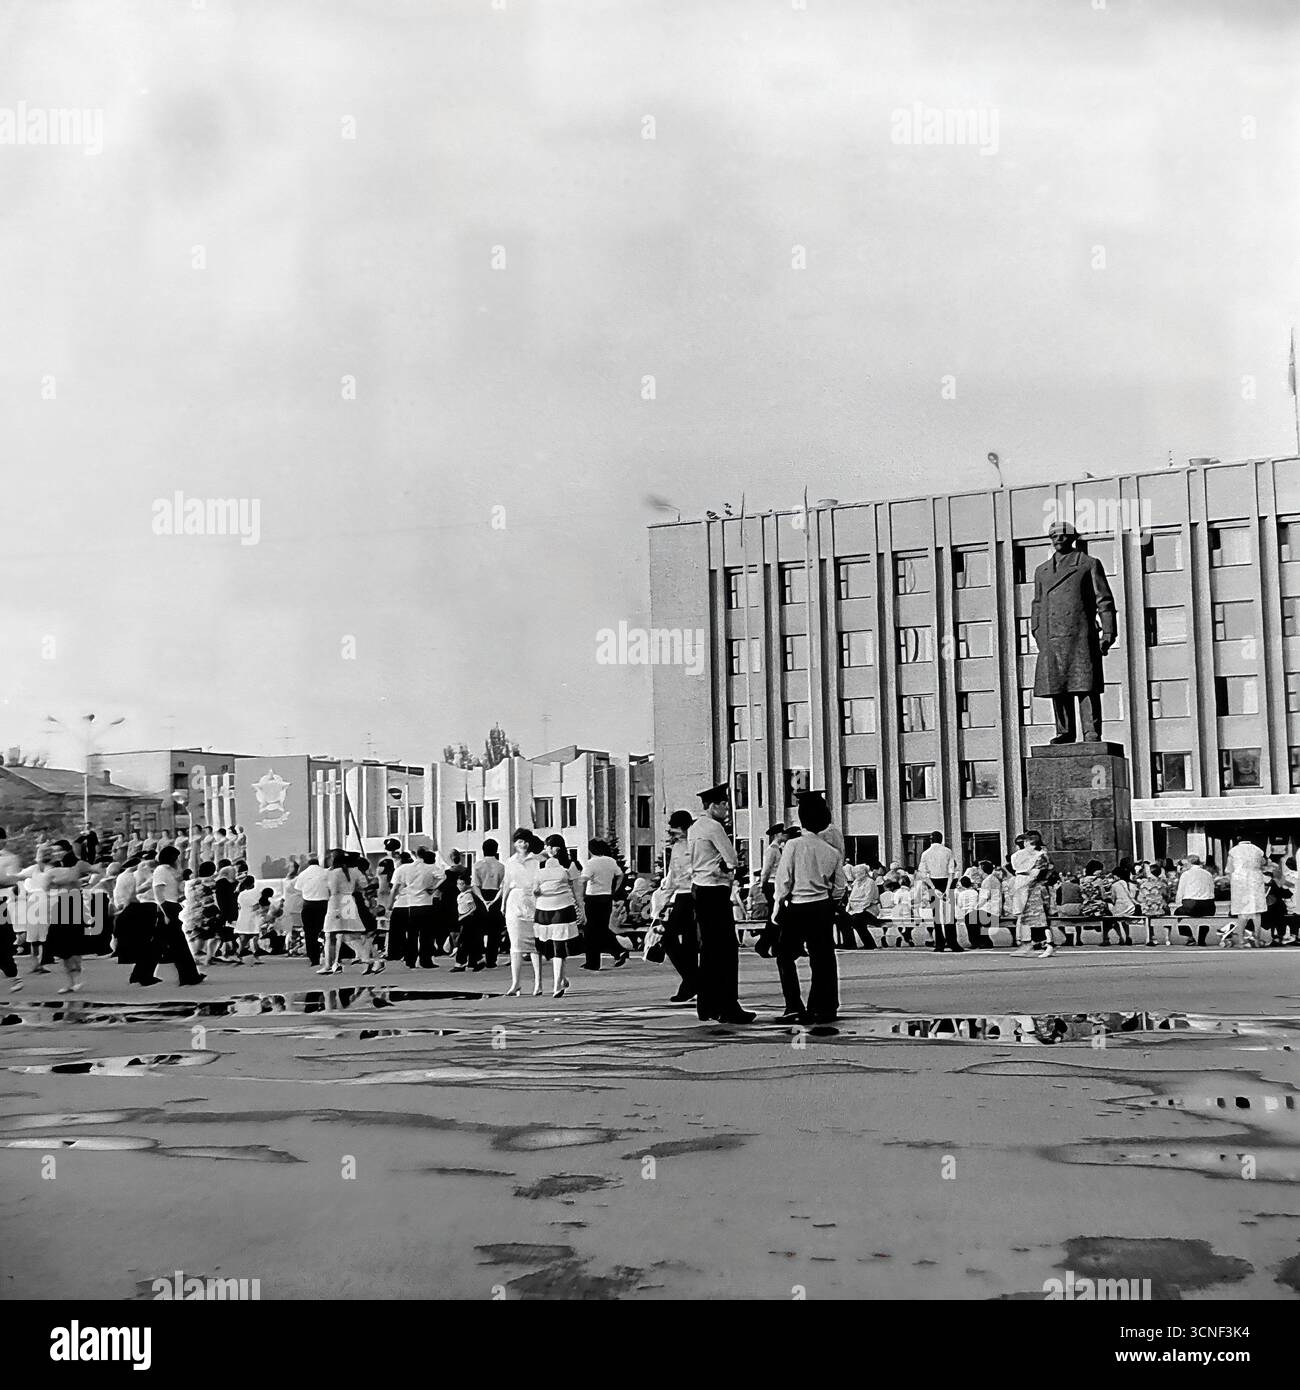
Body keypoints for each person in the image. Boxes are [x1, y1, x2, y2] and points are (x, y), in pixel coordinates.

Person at [771, 791, 847, 1025]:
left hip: (797, 906)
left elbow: (783, 880)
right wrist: (831, 899)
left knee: (785, 956)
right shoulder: (831, 851)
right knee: (823, 957)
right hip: (822, 907)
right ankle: (823, 1006)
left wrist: (777, 906)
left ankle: (794, 1006)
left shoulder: (793, 845)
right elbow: (840, 885)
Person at [688, 783, 754, 1024]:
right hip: (716, 890)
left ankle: (706, 1005)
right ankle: (728, 1006)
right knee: (726, 951)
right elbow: (732, 859)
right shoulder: (715, 827)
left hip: (699, 888)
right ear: (713, 805)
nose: (727, 809)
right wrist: (729, 868)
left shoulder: (694, 828)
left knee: (707, 950)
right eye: (724, 804)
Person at [132, 845, 205, 986]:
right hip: (166, 907)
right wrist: (164, 912)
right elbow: (158, 892)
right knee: (178, 945)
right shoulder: (161, 870)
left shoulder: (171, 871)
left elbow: (174, 889)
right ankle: (189, 976)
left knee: (158, 944)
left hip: (172, 905)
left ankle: (141, 975)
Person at [655, 811, 699, 1002]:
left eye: (676, 828)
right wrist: (662, 901)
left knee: (690, 944)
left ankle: (690, 984)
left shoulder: (698, 842)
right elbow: (672, 876)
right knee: (667, 938)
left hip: (697, 894)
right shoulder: (677, 847)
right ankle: (692, 979)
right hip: (681, 896)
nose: (674, 833)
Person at [532, 835, 582, 997]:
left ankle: (557, 985)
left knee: (558, 947)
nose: (547, 849)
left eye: (550, 846)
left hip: (560, 909)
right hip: (547, 910)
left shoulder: (568, 865)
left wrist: (581, 909)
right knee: (549, 947)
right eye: (547, 846)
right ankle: (560, 979)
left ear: (557, 848)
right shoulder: (540, 865)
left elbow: (577, 889)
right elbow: (535, 888)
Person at [500, 829, 543, 997]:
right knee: (516, 945)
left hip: (533, 900)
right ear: (514, 843)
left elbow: (540, 879)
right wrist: (503, 903)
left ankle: (538, 983)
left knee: (534, 945)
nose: (523, 844)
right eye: (519, 842)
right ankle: (515, 983)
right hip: (515, 901)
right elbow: (506, 883)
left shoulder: (536, 860)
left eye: (525, 841)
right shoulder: (510, 861)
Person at [318, 849, 373, 974]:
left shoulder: (332, 873)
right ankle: (365, 958)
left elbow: (331, 889)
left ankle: (328, 965)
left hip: (336, 902)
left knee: (329, 934)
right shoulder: (354, 871)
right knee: (351, 932)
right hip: (349, 901)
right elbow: (363, 885)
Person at [580, 839, 629, 970]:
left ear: (590, 850)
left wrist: (582, 894)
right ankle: (617, 951)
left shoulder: (591, 863)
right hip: (606, 897)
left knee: (590, 931)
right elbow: (620, 875)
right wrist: (615, 889)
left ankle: (593, 962)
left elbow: (583, 879)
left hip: (592, 898)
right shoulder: (610, 861)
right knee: (601, 928)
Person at [1009, 831, 1054, 958]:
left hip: (1035, 888)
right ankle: (1037, 943)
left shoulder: (1040, 856)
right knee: (1032, 918)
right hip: (1031, 887)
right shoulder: (1033, 856)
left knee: (1039, 918)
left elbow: (1035, 874)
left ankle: (1049, 943)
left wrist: (1023, 885)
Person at [917, 831, 961, 953]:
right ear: (941, 839)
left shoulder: (925, 854)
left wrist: (933, 888)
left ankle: (940, 944)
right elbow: (951, 871)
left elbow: (923, 874)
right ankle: (953, 943)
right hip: (946, 881)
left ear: (931, 840)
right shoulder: (947, 851)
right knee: (949, 915)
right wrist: (947, 889)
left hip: (933, 883)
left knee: (937, 915)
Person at [1222, 834, 1267, 949]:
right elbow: (1263, 863)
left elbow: (1228, 869)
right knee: (1257, 911)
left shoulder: (1233, 851)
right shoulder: (1258, 850)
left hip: (1240, 882)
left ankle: (1241, 940)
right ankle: (1256, 939)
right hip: (1255, 881)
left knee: (1242, 911)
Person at [472, 839, 506, 968]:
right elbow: (503, 887)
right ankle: (491, 959)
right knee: (495, 931)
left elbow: (475, 885)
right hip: (496, 896)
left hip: (482, 895)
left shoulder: (478, 865)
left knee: (479, 929)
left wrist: (482, 899)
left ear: (483, 849)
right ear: (496, 850)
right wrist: (495, 900)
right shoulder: (501, 866)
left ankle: (478, 956)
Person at [1172, 854, 1216, 946]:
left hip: (1191, 904)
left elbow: (1181, 891)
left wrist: (1178, 903)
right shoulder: (1208, 874)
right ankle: (1202, 938)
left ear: (1190, 863)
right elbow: (1212, 890)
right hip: (1208, 905)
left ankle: (1189, 937)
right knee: (1205, 919)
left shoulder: (1186, 874)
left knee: (1178, 913)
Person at [294, 856, 330, 967]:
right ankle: (329, 955)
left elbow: (298, 889)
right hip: (324, 905)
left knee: (310, 933)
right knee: (327, 931)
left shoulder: (303, 874)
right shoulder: (325, 873)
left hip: (308, 905)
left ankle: (314, 958)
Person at [451, 869, 486, 972]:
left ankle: (461, 963)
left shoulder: (468, 895)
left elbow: (473, 908)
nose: (459, 886)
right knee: (470, 942)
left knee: (463, 941)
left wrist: (463, 916)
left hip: (469, 920)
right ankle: (478, 961)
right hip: (465, 919)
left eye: (461, 884)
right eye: (458, 884)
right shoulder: (462, 895)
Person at [841, 865, 880, 948]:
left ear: (864, 873)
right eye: (855, 873)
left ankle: (869, 944)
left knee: (857, 920)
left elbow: (868, 899)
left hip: (869, 909)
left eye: (858, 872)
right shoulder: (856, 882)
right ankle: (850, 943)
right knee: (843, 919)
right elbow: (851, 898)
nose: (856, 874)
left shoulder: (870, 882)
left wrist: (857, 909)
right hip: (855, 909)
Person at [1137, 862, 1172, 945]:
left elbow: (1140, 898)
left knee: (1147, 917)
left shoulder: (1143, 885)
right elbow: (1167, 896)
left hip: (1148, 909)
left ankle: (1152, 936)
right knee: (1168, 914)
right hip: (1161, 908)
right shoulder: (1163, 884)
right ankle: (1167, 938)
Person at [234, 875, 265, 961]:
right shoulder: (253, 893)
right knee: (254, 936)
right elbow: (256, 905)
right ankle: (256, 956)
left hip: (243, 917)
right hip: (251, 918)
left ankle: (239, 954)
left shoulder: (241, 894)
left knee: (244, 939)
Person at [973, 861, 1003, 948]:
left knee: (970, 917)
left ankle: (980, 941)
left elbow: (983, 898)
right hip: (995, 910)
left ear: (983, 870)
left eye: (979, 868)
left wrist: (975, 907)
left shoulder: (987, 881)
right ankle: (984, 941)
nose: (978, 871)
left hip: (990, 911)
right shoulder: (993, 879)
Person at [758, 824, 786, 915]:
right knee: (773, 910)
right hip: (771, 883)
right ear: (777, 835)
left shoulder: (778, 849)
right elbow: (766, 869)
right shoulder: (771, 850)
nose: (784, 834)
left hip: (777, 883)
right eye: (782, 832)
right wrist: (763, 883)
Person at [1108, 863, 1138, 945]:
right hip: (1131, 907)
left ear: (1117, 876)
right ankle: (1128, 936)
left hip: (1120, 908)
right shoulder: (1131, 884)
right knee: (1125, 921)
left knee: (1114, 920)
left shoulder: (1114, 885)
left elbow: (1113, 899)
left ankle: (1121, 937)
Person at [955, 876, 980, 948]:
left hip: (966, 913)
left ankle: (973, 943)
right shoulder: (975, 892)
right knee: (976, 928)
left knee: (970, 929)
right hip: (974, 911)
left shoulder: (961, 894)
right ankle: (978, 942)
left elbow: (960, 904)